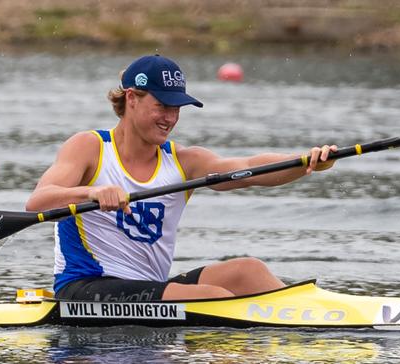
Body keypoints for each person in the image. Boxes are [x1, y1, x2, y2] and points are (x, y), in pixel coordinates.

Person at [26, 55, 337, 301]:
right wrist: (91, 193)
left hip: (149, 288)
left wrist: (306, 162)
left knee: (248, 271)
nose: (170, 118)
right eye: (162, 105)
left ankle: (315, 317)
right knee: (212, 297)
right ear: (132, 98)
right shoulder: (89, 146)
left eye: (177, 108)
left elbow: (249, 168)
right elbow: (37, 202)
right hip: (85, 288)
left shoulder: (184, 161)